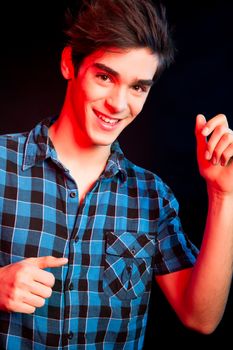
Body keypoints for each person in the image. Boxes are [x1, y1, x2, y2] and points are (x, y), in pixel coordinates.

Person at [0, 0, 232, 348]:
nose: (119, 104)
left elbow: (201, 317)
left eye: (138, 86)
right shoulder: (2, 163)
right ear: (69, 64)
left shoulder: (153, 197)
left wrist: (222, 195)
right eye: (105, 77)